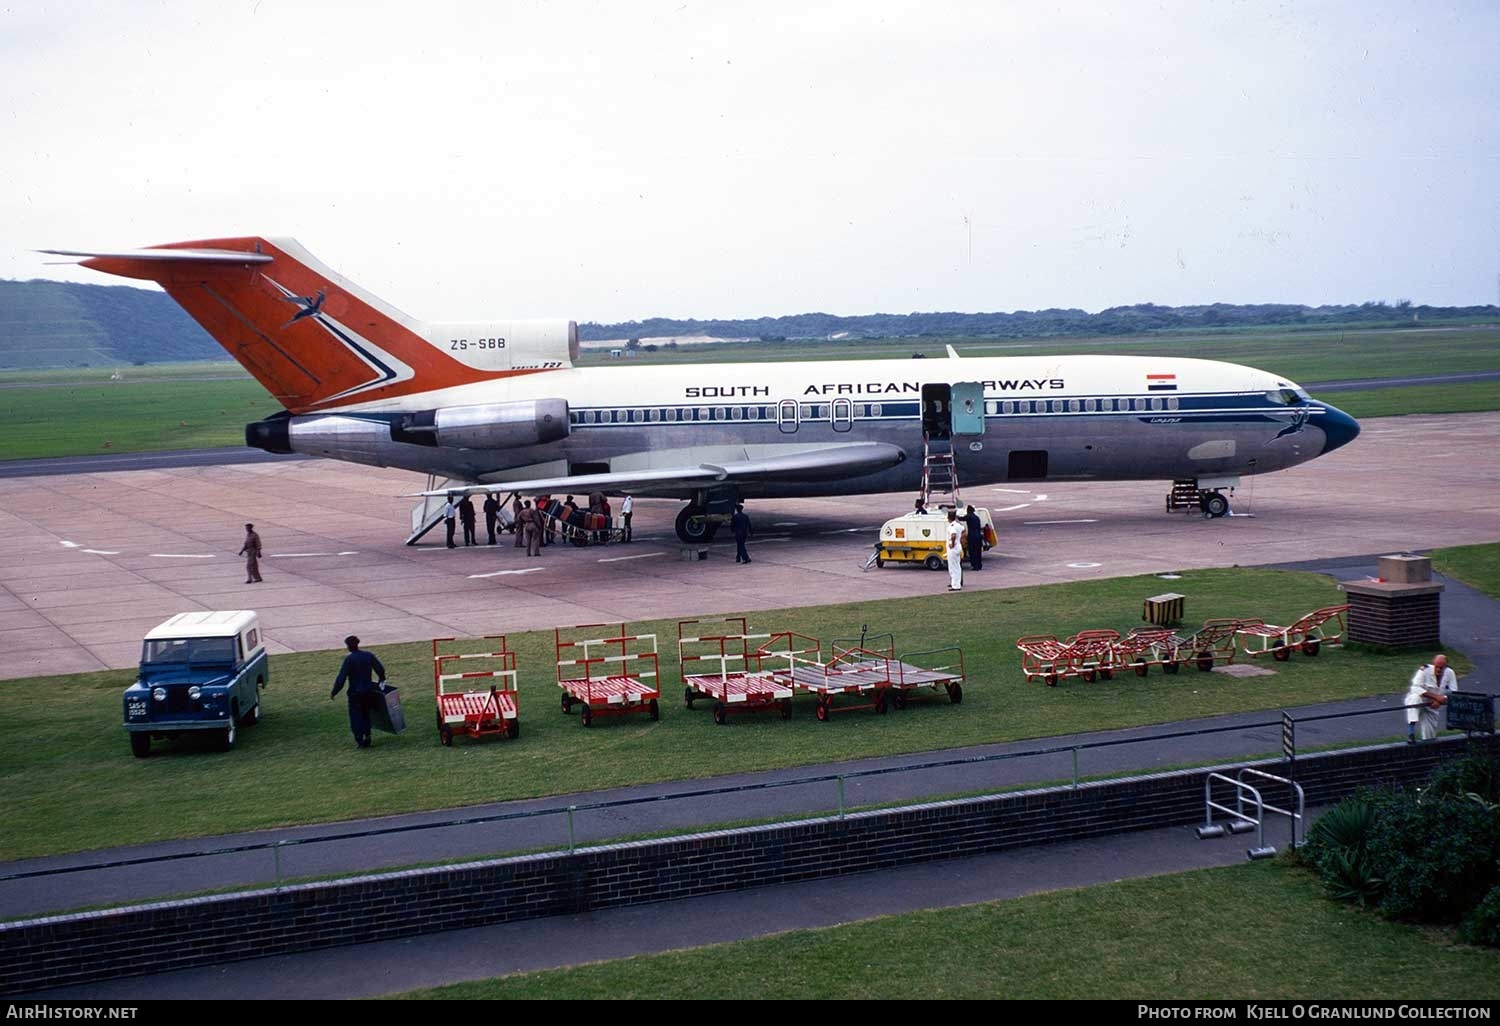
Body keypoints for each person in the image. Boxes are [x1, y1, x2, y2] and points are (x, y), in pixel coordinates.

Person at [330, 635, 386, 749]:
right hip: (368, 691)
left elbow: (341, 678)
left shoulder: (349, 659)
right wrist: (382, 679)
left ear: (348, 646)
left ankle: (360, 740)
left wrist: (334, 691)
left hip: (355, 693)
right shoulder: (368, 656)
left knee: (356, 716)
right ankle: (368, 735)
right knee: (366, 714)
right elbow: (380, 669)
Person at [1405, 653, 1459, 742]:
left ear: (1445, 666)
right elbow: (1415, 687)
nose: (1438, 669)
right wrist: (1436, 697)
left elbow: (1453, 691)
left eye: (1441, 668)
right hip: (1421, 699)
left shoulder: (1450, 673)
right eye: (1436, 667)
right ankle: (1411, 731)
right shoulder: (1424, 670)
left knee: (1430, 736)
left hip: (1432, 705)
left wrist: (1440, 700)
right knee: (1414, 699)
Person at [945, 510, 963, 591]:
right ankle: (956, 583)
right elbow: (964, 531)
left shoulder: (952, 526)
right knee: (957, 566)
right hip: (958, 546)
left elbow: (953, 535)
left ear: (949, 518)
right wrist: (960, 539)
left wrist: (952, 543)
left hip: (953, 548)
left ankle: (955, 585)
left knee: (953, 567)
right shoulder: (958, 525)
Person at [964, 505, 984, 572]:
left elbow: (961, 518)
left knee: (972, 551)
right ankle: (979, 565)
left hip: (972, 537)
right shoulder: (977, 517)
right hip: (978, 536)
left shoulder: (969, 516)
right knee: (978, 551)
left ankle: (975, 565)